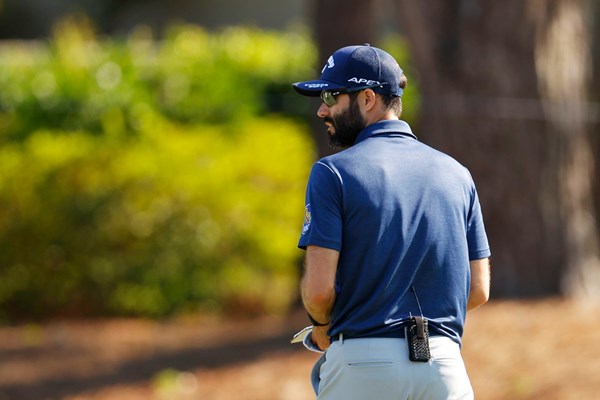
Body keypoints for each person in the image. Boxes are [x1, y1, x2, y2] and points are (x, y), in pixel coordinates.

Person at [292, 44, 491, 400]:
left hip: (362, 367)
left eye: (331, 95)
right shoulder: (458, 173)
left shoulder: (332, 173)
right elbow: (478, 290)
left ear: (367, 98)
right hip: (444, 367)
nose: (322, 109)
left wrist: (323, 326)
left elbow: (319, 291)